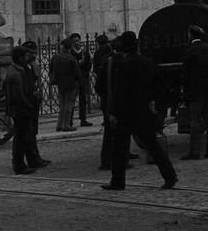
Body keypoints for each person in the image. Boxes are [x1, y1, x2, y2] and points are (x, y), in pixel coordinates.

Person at [103, 31, 176, 191]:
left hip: (126, 113)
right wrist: (154, 102)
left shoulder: (123, 64)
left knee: (120, 149)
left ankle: (118, 182)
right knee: (153, 146)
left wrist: (113, 112)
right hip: (144, 112)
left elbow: (120, 92)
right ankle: (170, 176)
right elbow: (161, 86)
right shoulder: (148, 62)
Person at [181, 25, 208, 160]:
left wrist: (185, 92)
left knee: (195, 122)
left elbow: (186, 75)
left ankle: (195, 152)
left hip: (195, 91)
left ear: (191, 35)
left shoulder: (189, 51)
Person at [4, 45, 41, 174]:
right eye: (25, 56)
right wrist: (29, 105)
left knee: (24, 136)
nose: (27, 58)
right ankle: (19, 165)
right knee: (20, 138)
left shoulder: (18, 70)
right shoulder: (15, 74)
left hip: (22, 109)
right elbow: (19, 95)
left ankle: (26, 162)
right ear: (19, 57)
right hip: (20, 110)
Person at [92, 33, 118, 170]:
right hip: (114, 103)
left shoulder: (102, 59)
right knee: (116, 133)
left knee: (110, 133)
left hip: (107, 101)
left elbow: (98, 86)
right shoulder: (113, 62)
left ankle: (108, 161)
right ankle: (115, 161)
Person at [21, 41, 49, 168]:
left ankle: (36, 156)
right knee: (29, 131)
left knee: (33, 130)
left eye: (34, 52)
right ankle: (32, 158)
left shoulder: (31, 65)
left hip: (34, 100)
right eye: (30, 52)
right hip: (28, 102)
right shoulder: (24, 67)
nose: (33, 55)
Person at [49, 36, 83, 131]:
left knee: (62, 105)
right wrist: (78, 82)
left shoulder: (55, 57)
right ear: (71, 47)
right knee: (68, 105)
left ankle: (59, 124)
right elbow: (77, 73)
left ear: (62, 47)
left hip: (60, 83)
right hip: (70, 83)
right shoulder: (72, 58)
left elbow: (51, 69)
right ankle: (66, 125)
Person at [68, 32, 94, 127]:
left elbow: (88, 65)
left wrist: (85, 72)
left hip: (83, 78)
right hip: (73, 79)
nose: (76, 43)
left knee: (83, 100)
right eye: (74, 41)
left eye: (77, 41)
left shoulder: (84, 52)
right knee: (71, 100)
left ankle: (83, 119)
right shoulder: (71, 53)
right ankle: (69, 121)